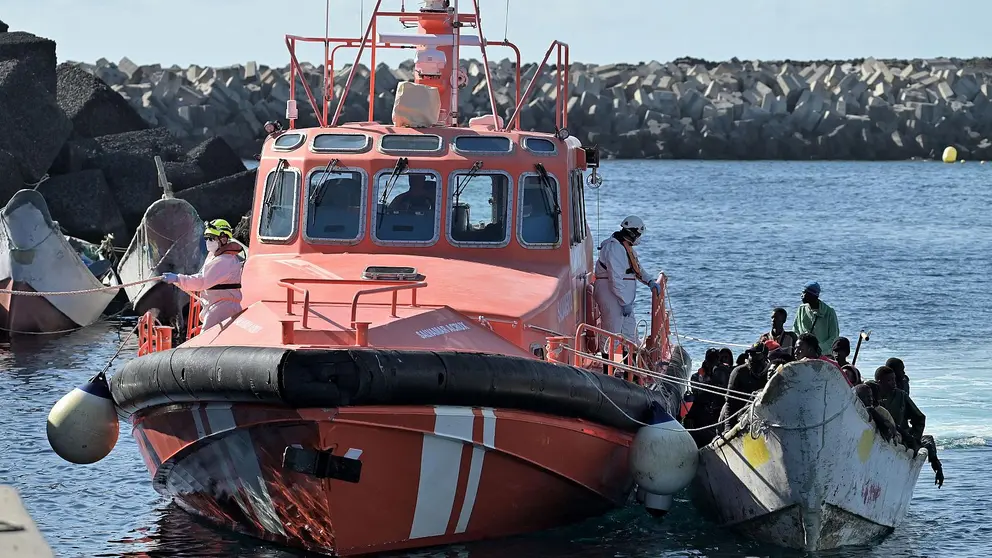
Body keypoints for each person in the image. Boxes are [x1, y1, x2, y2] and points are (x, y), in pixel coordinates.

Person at [593, 216, 662, 362]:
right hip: (612, 295)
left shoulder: (625, 247)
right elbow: (615, 278)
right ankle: (608, 369)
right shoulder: (615, 248)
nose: (639, 238)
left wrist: (649, 281)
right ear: (632, 232)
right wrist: (624, 301)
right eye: (638, 234)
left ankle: (630, 371)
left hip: (622, 297)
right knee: (611, 332)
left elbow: (636, 268)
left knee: (630, 334)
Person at [162, 219, 244, 332]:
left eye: (211, 238)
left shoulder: (224, 261)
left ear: (224, 239)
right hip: (216, 305)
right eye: (206, 238)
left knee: (208, 338)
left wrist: (177, 279)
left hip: (223, 307)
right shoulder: (215, 257)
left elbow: (202, 281)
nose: (208, 241)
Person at [873, 366, 943, 487]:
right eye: (889, 380)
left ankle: (937, 468)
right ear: (879, 382)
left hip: (901, 434)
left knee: (927, 442)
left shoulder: (901, 396)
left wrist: (914, 437)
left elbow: (919, 418)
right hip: (880, 432)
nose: (894, 383)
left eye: (894, 379)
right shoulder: (872, 394)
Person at [718, 342, 771, 432]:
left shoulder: (770, 372)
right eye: (750, 354)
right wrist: (728, 428)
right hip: (736, 415)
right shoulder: (738, 372)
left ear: (765, 357)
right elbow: (729, 404)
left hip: (758, 417)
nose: (752, 358)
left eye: (756, 355)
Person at [793, 282, 840, 355]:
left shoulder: (829, 312)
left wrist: (818, 348)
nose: (801, 296)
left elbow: (834, 337)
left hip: (823, 354)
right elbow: (795, 330)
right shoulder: (801, 309)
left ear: (813, 295)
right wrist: (802, 347)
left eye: (804, 293)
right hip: (803, 354)